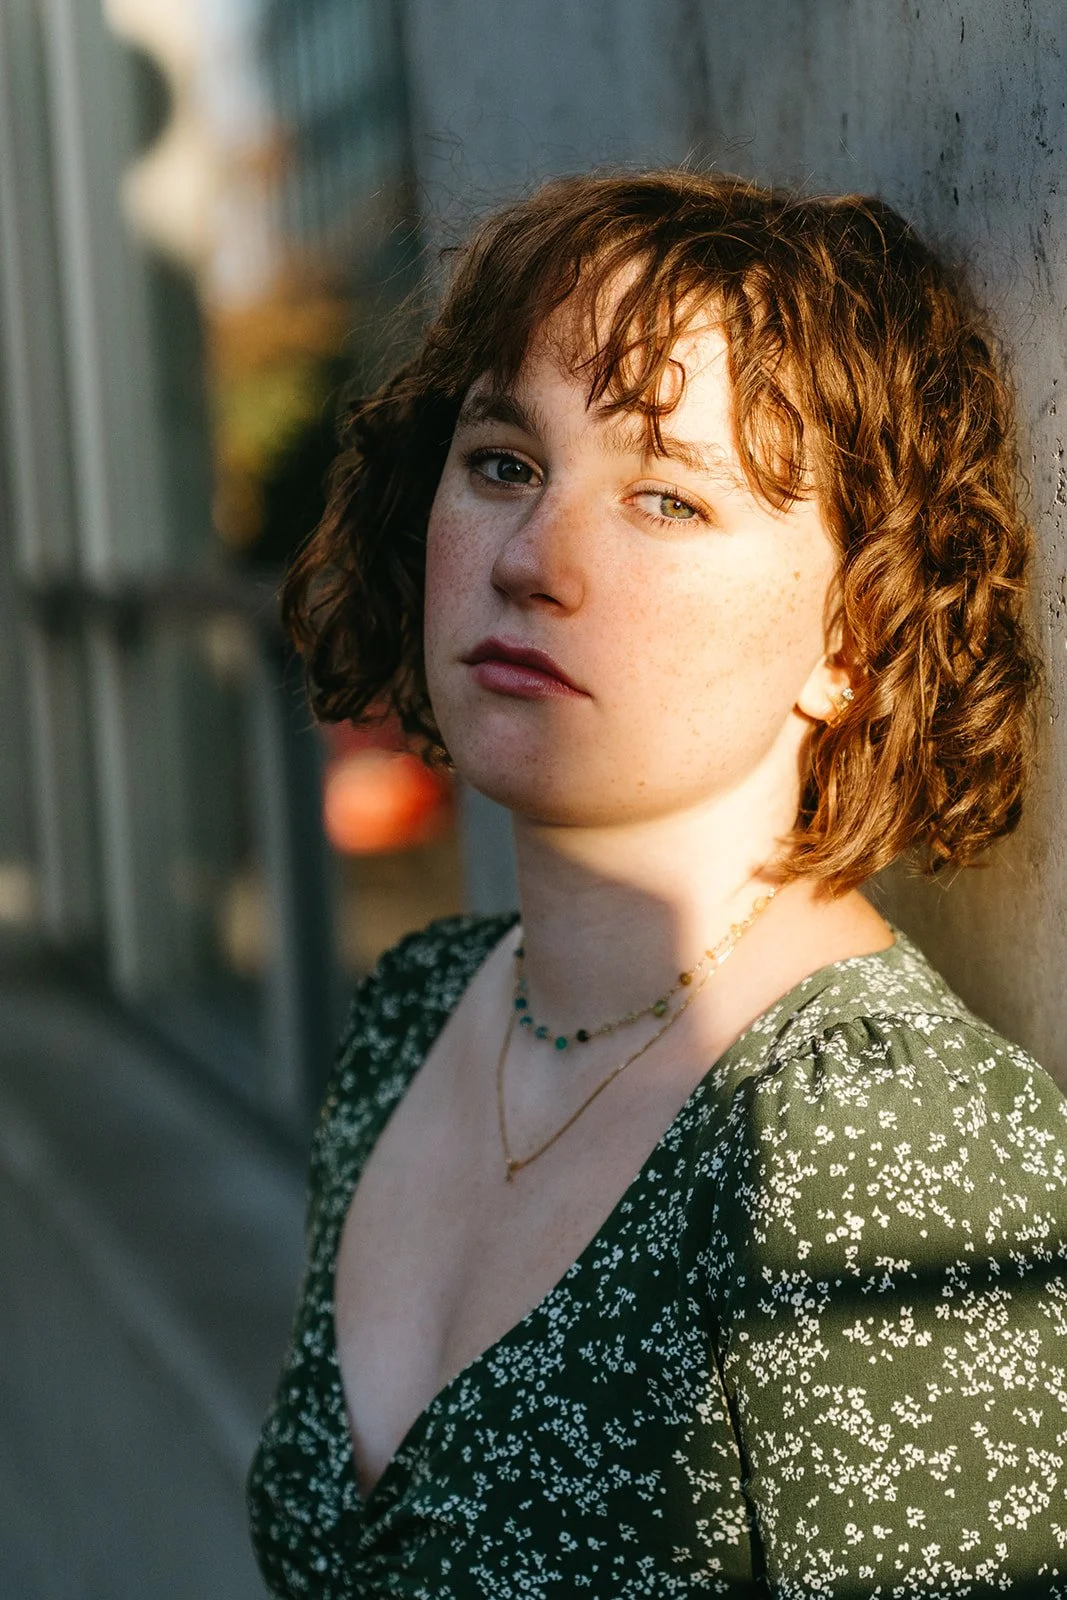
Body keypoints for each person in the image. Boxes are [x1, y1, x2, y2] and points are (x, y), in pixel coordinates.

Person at [247, 169, 1067, 1597]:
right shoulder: (415, 1013)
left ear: (853, 638)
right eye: (504, 463)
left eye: (668, 501)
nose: (531, 561)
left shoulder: (881, 1143)